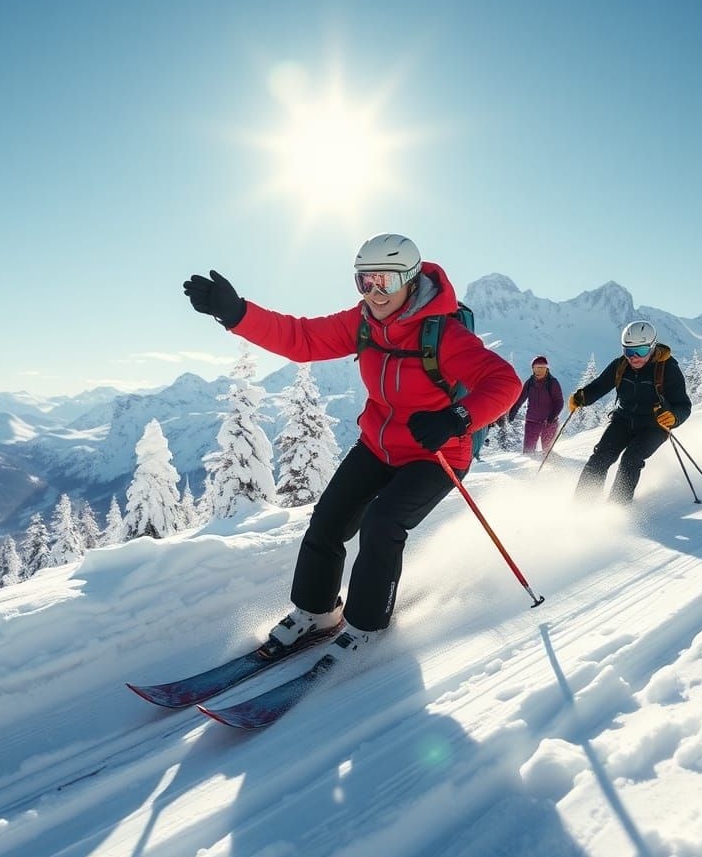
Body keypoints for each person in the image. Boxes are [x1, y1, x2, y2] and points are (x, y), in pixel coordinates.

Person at [183, 233, 520, 658]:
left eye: (386, 282)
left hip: (436, 453)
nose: (375, 293)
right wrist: (237, 315)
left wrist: (457, 418)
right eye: (365, 282)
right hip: (378, 444)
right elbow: (302, 338)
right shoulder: (363, 324)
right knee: (329, 519)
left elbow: (504, 382)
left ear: (411, 281)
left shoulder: (443, 334)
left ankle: (366, 627)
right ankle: (316, 612)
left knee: (383, 523)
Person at [569, 320, 692, 503]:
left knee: (630, 459)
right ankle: (581, 505)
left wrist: (674, 418)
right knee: (600, 457)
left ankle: (616, 509)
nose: (633, 357)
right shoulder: (621, 365)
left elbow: (683, 406)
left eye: (640, 351)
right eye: (628, 351)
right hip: (624, 420)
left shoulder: (668, 369)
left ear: (652, 347)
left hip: (654, 426)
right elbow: (600, 386)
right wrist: (582, 397)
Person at [507, 355, 563, 456]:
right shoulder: (529, 383)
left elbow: (559, 402)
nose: (540, 372)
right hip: (532, 422)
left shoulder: (552, 383)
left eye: (543, 369)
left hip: (549, 422)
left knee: (547, 452)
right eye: (537, 369)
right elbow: (520, 399)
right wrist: (513, 412)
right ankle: (528, 471)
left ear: (547, 369)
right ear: (533, 369)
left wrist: (551, 418)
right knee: (528, 452)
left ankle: (554, 469)